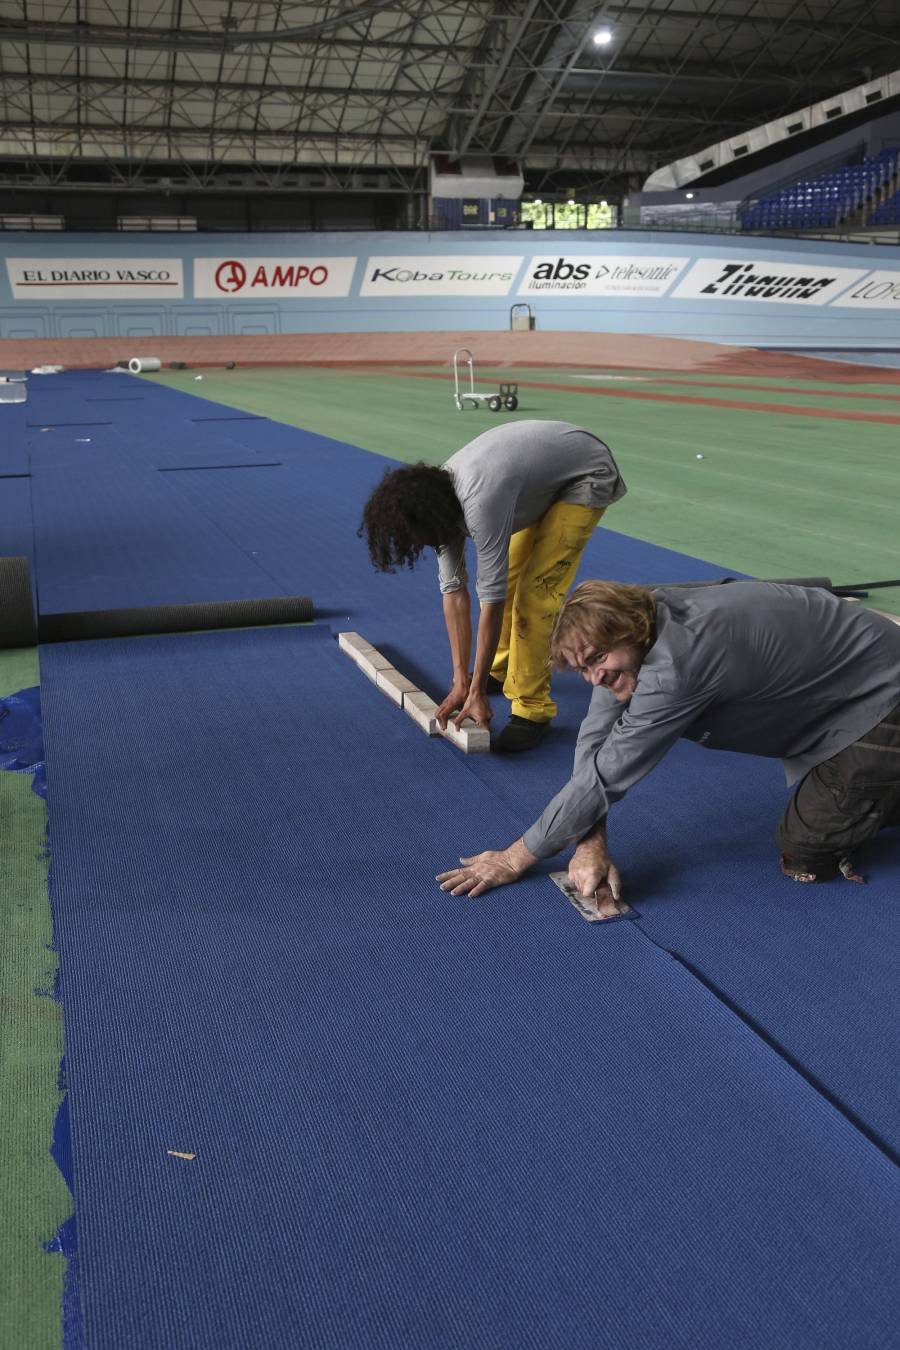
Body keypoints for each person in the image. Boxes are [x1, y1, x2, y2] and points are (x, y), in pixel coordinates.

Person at [436, 579, 900, 900]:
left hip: (882, 694)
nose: (595, 676)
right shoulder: (643, 613)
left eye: (598, 659)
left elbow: (609, 775)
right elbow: (594, 744)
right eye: (582, 670)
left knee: (806, 856)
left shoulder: (677, 667)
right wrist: (589, 842)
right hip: (842, 685)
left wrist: (514, 859)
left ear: (628, 632)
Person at [358, 421, 626, 752]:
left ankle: (532, 709)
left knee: (535, 594)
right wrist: (461, 682)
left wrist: (476, 695)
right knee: (511, 579)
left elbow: (491, 601)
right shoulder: (436, 507)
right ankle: (498, 672)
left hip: (586, 472)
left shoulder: (478, 503)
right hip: (542, 476)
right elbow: (454, 594)